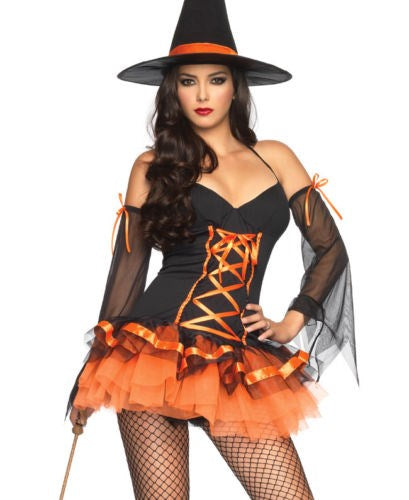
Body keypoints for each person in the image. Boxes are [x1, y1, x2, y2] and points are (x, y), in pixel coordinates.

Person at [65, 1, 359, 499]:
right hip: (153, 354)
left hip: (237, 361)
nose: (202, 95)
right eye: (188, 81)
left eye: (216, 80)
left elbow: (330, 249)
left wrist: (292, 321)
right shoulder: (152, 165)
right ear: (172, 90)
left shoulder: (276, 157)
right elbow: (128, 272)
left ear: (235, 87)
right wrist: (93, 373)